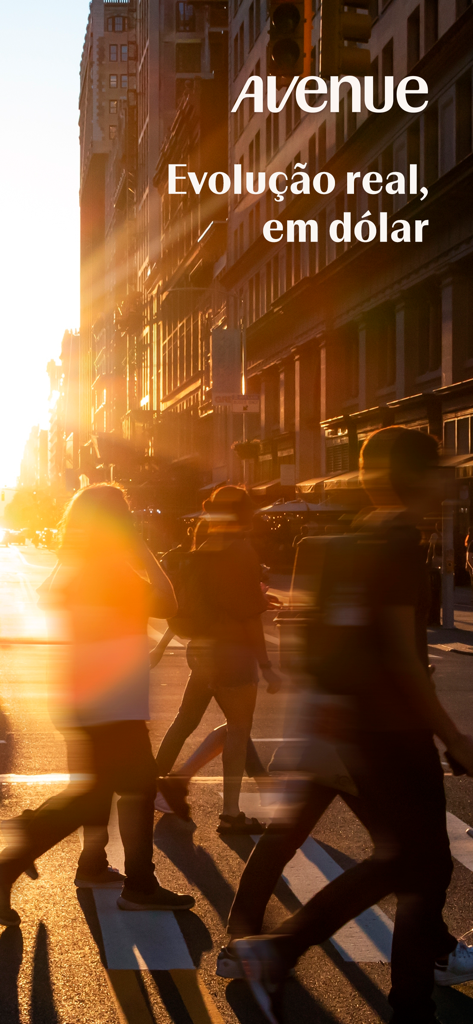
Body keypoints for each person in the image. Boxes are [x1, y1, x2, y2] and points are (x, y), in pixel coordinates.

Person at [228, 427, 473, 1024]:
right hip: (393, 730)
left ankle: (408, 998)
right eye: (438, 467)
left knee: (415, 862)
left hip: (350, 722)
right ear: (416, 477)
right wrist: (452, 733)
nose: (447, 478)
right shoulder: (397, 547)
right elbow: (400, 656)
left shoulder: (356, 536)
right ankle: (285, 952)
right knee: (415, 862)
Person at [0, 483, 195, 926]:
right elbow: (168, 601)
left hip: (84, 695)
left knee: (111, 790)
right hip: (114, 700)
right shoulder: (112, 568)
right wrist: (142, 547)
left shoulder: (77, 566)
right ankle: (133, 883)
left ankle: (95, 868)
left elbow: (60, 601)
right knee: (122, 790)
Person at [156, 485, 281, 834]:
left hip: (203, 650)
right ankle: (230, 813)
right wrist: (268, 666)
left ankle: (158, 780)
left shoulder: (203, 546)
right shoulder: (241, 550)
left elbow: (208, 600)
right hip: (233, 652)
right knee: (240, 729)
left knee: (186, 719)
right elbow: (248, 617)